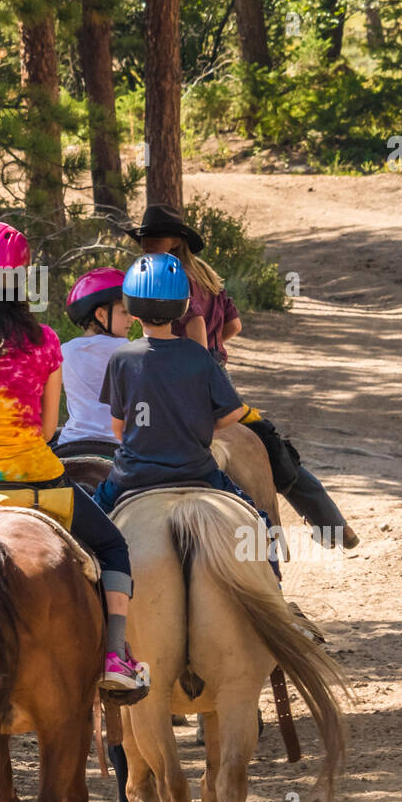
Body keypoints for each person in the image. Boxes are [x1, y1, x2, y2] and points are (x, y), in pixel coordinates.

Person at [0, 222, 148, 698]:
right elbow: (47, 431)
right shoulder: (45, 341)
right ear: (21, 282)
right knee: (112, 547)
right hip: (36, 482)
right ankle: (114, 655)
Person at [128, 204, 359, 551]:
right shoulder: (206, 275)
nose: (146, 244)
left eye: (154, 238)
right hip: (216, 374)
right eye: (144, 238)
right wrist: (217, 348)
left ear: (176, 241)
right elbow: (234, 325)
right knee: (268, 444)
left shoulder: (173, 280)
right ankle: (332, 523)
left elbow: (195, 338)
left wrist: (197, 357)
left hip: (186, 377)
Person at [93, 254, 282, 579]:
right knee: (259, 521)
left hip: (133, 476)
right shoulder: (198, 354)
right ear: (182, 307)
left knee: (89, 529)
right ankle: (275, 588)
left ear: (133, 310)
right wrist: (200, 426)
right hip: (198, 471)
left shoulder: (122, 358)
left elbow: (118, 429)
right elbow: (234, 412)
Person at [53, 267, 131, 459]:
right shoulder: (130, 351)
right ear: (101, 315)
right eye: (124, 312)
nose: (131, 319)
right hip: (117, 446)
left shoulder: (64, 350)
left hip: (71, 444)